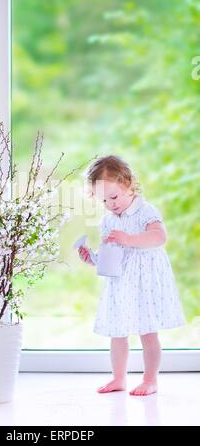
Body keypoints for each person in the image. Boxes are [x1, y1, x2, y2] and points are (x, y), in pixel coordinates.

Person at [78, 155, 185, 396]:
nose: (111, 204)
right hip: (120, 282)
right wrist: (93, 258)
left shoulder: (144, 211)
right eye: (104, 200)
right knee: (118, 332)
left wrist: (129, 239)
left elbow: (159, 237)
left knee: (148, 332)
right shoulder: (108, 220)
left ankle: (150, 380)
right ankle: (118, 378)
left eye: (114, 197)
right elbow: (110, 253)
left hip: (144, 282)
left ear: (128, 184)